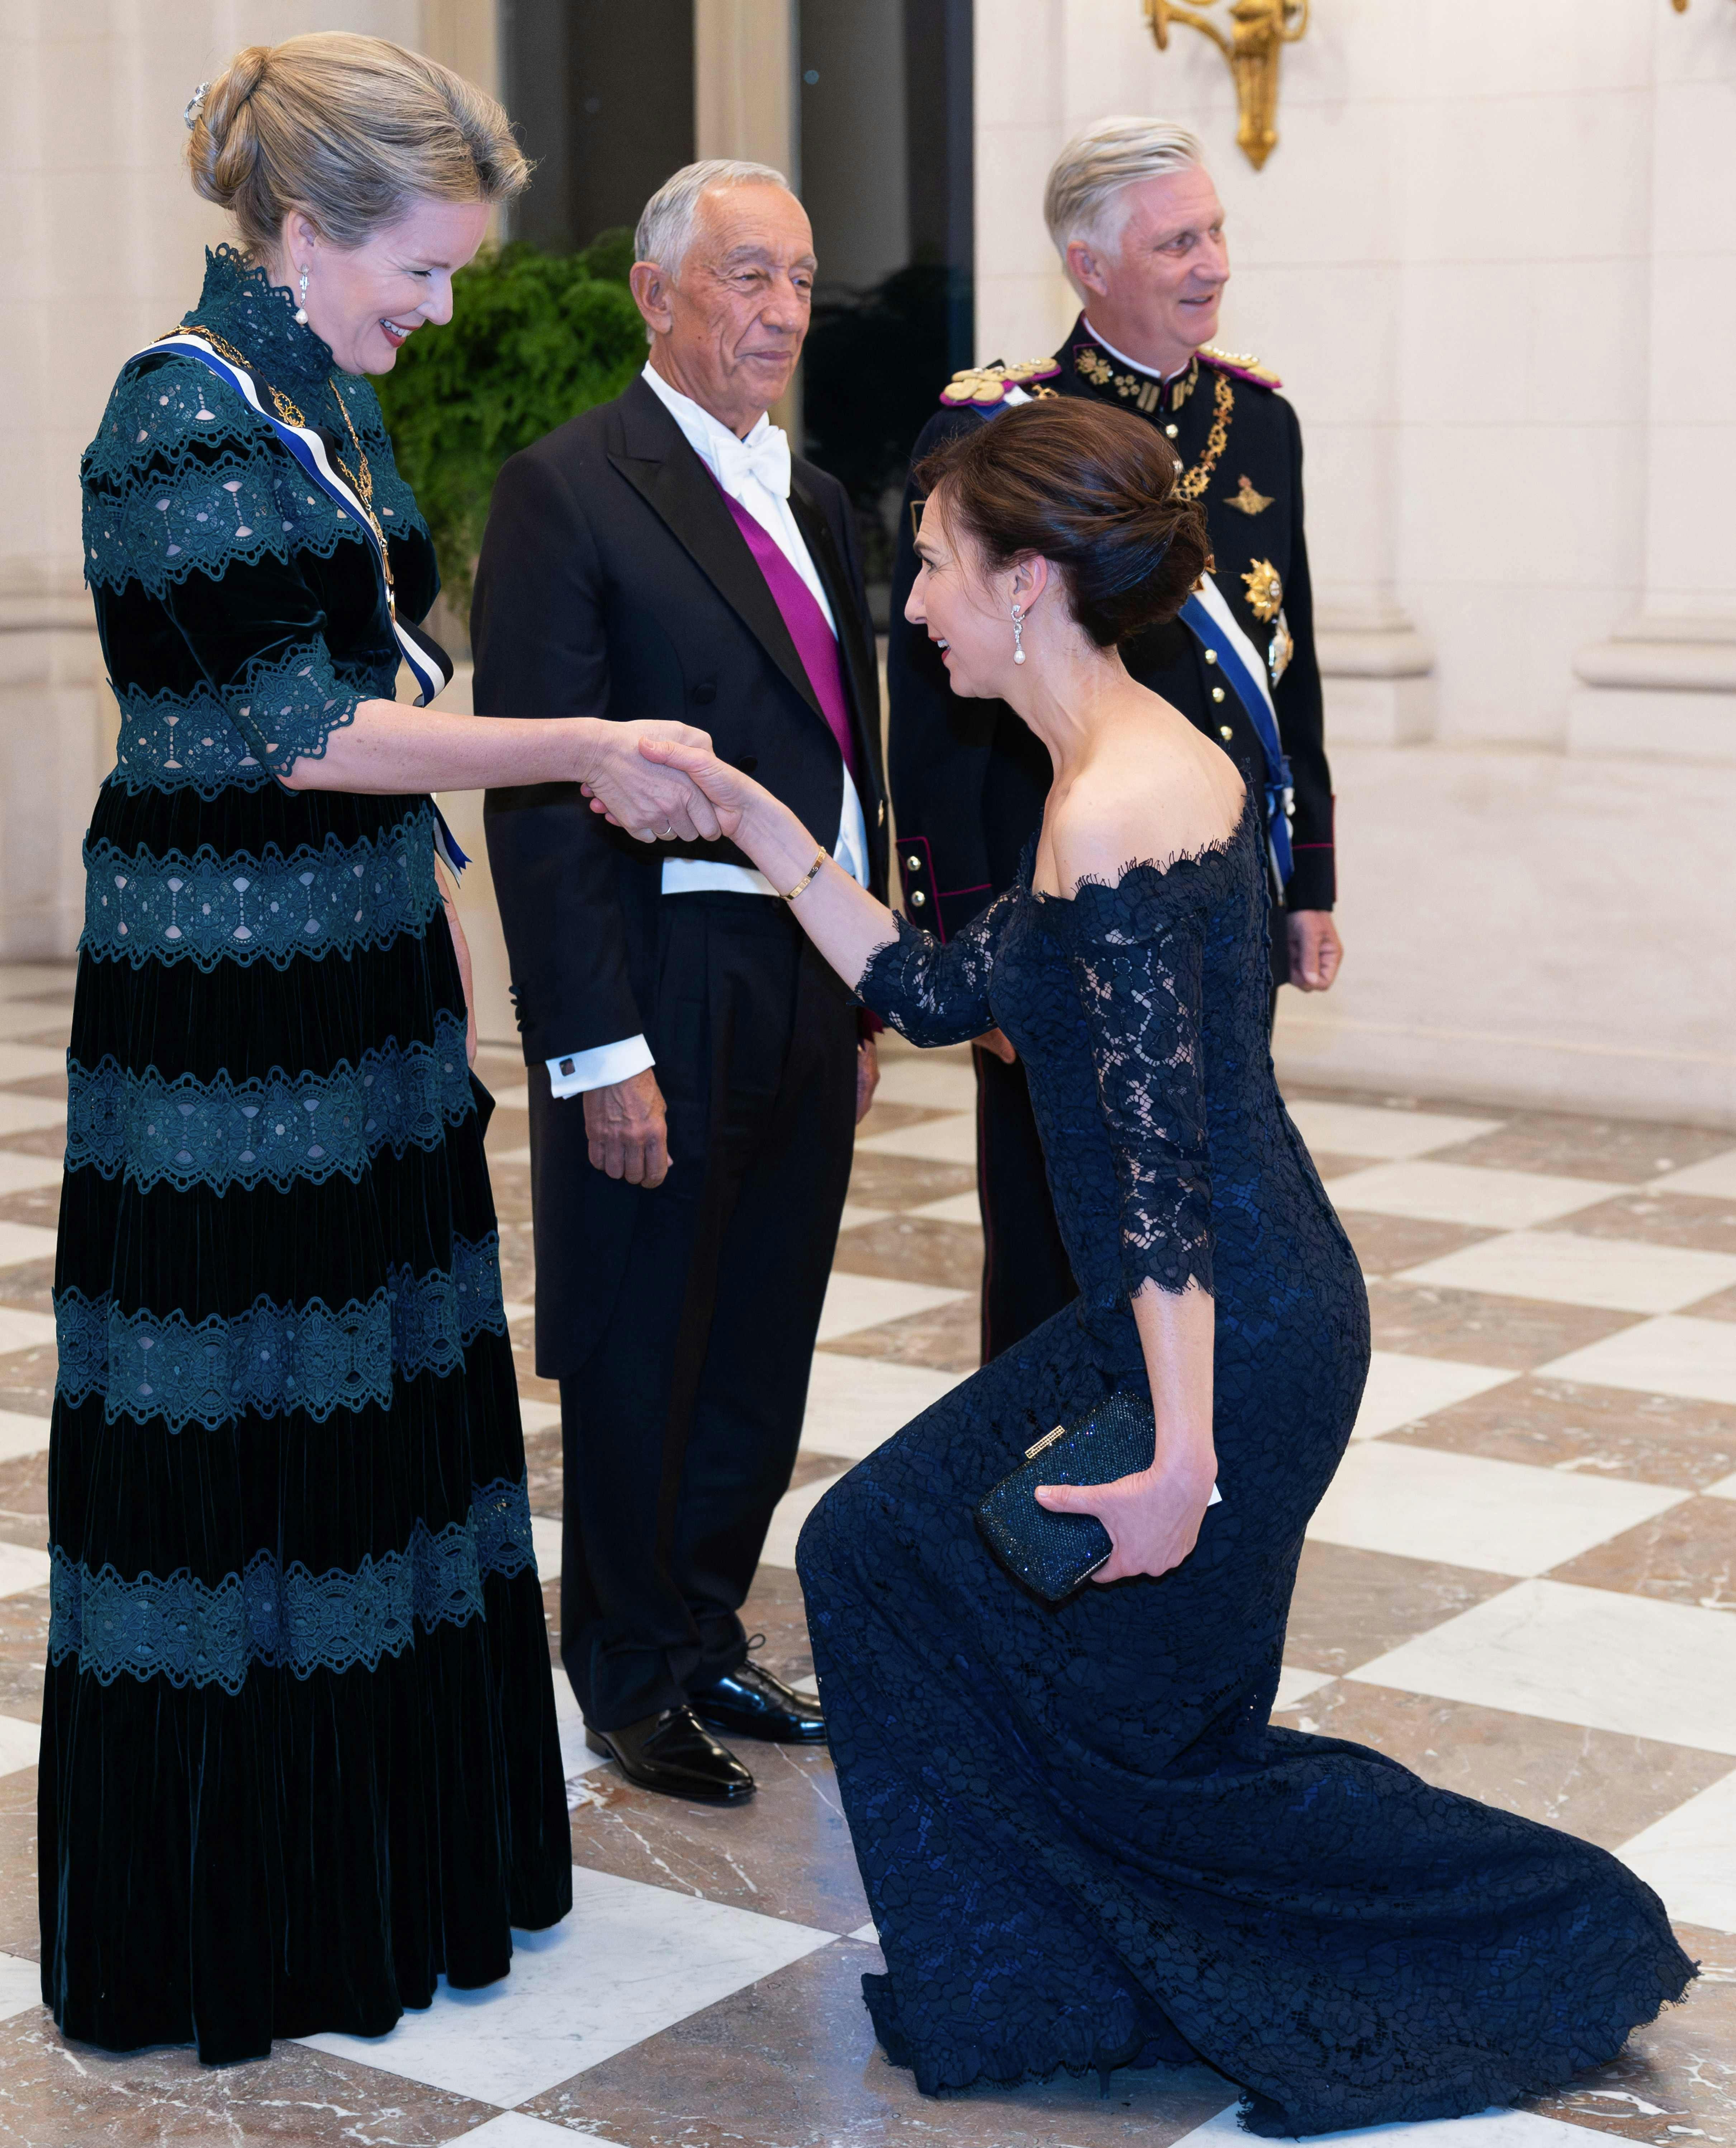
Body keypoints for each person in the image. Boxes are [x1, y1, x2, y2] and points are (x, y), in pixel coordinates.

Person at [637, 395, 1693, 2135]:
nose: (911, 604)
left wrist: (1180, 1458)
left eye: (931, 567)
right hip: (1199, 1316)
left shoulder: (1121, 804)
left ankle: (1554, 1926)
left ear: (1030, 581)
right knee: (888, 1551)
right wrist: (756, 814)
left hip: (1224, 1335)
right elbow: (931, 997)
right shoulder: (1121, 764)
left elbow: (1158, 1183)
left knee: (1159, 1750)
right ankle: (1049, 1968)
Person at [48, 34, 718, 2062]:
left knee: (382, 1416)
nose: (439, 314)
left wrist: (444, 930)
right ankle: (246, 1922)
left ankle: (406, 1869)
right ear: (303, 224)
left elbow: (369, 684)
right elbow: (306, 731)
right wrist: (585, 743)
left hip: (350, 981)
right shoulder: (172, 418)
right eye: (417, 270)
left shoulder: (316, 387)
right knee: (254, 1432)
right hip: (224, 1027)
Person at [472, 160, 888, 1807]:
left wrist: (866, 981)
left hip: (799, 967)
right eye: (742, 277)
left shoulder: (820, 494)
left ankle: (707, 1618)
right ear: (657, 296)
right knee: (650, 1329)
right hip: (659, 970)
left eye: (795, 277)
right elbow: (536, 801)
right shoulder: (571, 490)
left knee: (763, 1323)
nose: (779, 310)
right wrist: (594, 1048)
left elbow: (852, 762)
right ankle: (628, 1669)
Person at [888, 115, 1340, 1363]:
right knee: (1053, 1241)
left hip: (1217, 897)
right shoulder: (991, 434)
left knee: (1214, 1191)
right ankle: (1037, 1517)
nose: (1213, 264)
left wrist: (1307, 882)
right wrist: (963, 945)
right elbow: (929, 718)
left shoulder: (1261, 426)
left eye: (1215, 233)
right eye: (1177, 241)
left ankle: (1200, 1450)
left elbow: (1288, 661)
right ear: (1088, 266)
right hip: (1054, 903)